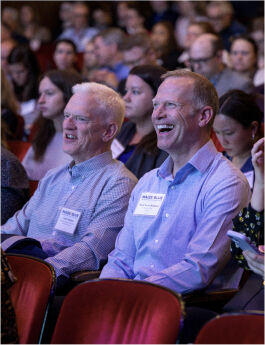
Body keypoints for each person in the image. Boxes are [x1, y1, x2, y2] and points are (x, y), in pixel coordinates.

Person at [100, 69, 250, 295]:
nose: (157, 114)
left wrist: (130, 294)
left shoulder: (226, 183)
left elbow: (198, 269)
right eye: (155, 105)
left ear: (204, 116)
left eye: (170, 105)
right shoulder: (148, 182)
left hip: (180, 308)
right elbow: (121, 259)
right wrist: (104, 292)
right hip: (129, 298)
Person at [1, 82, 138, 289]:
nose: (67, 125)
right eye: (66, 116)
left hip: (55, 289)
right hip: (18, 279)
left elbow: (91, 251)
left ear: (109, 131)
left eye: (81, 118)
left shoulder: (119, 184)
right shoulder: (53, 177)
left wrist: (35, 278)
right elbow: (15, 226)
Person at [22, 70, 83, 181]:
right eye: (40, 94)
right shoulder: (42, 132)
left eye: (49, 93)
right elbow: (24, 175)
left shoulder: (84, 140)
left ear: (68, 95)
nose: (41, 100)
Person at [111, 65, 168, 179]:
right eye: (126, 91)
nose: (126, 98)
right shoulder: (123, 129)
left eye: (135, 92)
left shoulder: (166, 141)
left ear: (157, 97)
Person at [213, 89, 263, 188]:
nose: (223, 141)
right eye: (217, 132)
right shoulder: (219, 160)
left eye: (229, 133)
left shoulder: (261, 164)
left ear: (253, 128)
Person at [189, 33, 254, 97]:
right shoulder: (189, 82)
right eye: (193, 60)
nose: (196, 66)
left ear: (219, 56)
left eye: (202, 60)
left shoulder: (241, 85)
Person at [7, 44, 40, 136]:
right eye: (12, 72)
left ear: (31, 70)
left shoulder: (42, 89)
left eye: (20, 72)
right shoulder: (9, 87)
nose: (15, 76)